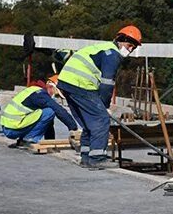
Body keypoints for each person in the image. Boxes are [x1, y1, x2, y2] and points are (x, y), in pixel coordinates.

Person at [56, 25, 141, 170]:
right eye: (129, 45)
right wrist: (104, 106)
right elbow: (107, 83)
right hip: (80, 84)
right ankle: (97, 158)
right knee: (101, 119)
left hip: (67, 82)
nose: (130, 50)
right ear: (121, 40)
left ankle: (86, 157)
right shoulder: (112, 54)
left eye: (133, 47)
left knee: (89, 122)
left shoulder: (103, 48)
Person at [0, 76, 79, 149]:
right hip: (12, 129)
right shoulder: (40, 94)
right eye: (56, 93)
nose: (53, 96)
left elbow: (47, 122)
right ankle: (29, 139)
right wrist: (73, 128)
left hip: (9, 127)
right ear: (51, 86)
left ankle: (23, 140)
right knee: (50, 111)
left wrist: (50, 142)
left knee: (46, 112)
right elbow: (58, 110)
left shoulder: (33, 90)